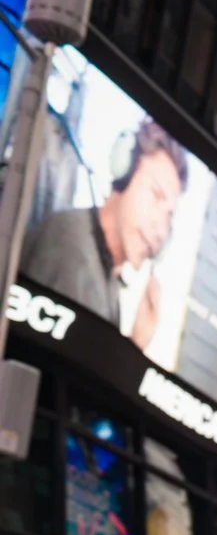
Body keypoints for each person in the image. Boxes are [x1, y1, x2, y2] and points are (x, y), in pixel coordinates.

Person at [22, 120, 188, 357]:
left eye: (169, 216)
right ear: (124, 172)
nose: (160, 229)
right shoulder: (71, 252)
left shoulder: (108, 278)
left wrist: (135, 343)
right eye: (155, 195)